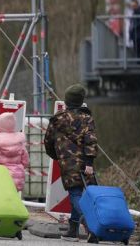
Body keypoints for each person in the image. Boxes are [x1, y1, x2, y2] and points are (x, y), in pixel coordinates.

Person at [44, 84, 97, 242]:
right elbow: (91, 141)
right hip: (86, 163)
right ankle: (73, 230)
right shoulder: (87, 118)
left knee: (75, 194)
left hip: (67, 163)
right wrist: (89, 162)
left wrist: (57, 156)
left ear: (66, 101)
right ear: (81, 101)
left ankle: (90, 225)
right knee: (80, 193)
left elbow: (48, 142)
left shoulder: (57, 119)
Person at [0, 112, 29, 192]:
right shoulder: (19, 142)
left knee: (0, 199)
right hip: (17, 178)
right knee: (12, 198)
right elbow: (26, 161)